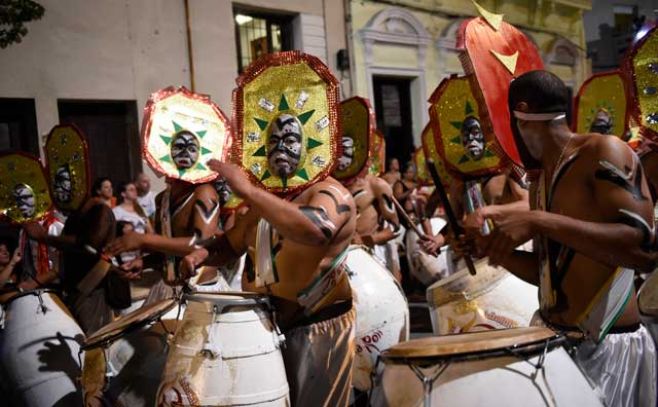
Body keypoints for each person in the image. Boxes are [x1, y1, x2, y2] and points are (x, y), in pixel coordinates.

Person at [177, 52, 357, 407]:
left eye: (290, 139)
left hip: (318, 329)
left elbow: (312, 231)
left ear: (309, 145)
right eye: (272, 140)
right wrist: (200, 254)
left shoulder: (329, 192)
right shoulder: (264, 202)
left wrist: (247, 190)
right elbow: (228, 245)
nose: (280, 148)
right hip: (266, 332)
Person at [468, 70, 656, 407]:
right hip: (554, 342)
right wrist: (493, 250)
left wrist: (539, 220)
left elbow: (643, 250)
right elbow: (548, 274)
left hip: (611, 349)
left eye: (490, 119)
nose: (489, 134)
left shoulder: (603, 150)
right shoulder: (541, 179)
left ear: (520, 114)